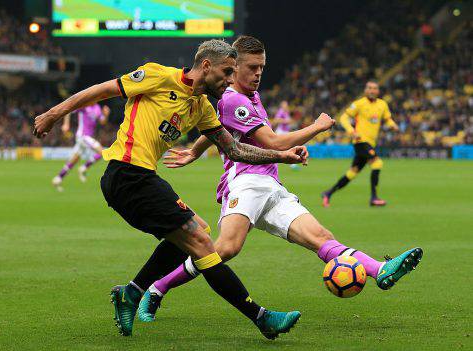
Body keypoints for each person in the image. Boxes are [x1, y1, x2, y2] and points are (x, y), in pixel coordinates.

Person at [33, 39, 309, 339]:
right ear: (206, 65)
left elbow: (235, 150)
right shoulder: (159, 76)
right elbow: (102, 90)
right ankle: (261, 318)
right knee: (200, 244)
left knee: (197, 233)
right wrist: (53, 114)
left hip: (142, 178)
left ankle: (132, 292)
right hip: (126, 173)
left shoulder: (202, 107)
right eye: (227, 72)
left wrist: (282, 155)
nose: (231, 80)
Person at [137, 36, 422, 324]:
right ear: (234, 69)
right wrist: (316, 127)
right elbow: (272, 141)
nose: (258, 73)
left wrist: (195, 151)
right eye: (252, 67)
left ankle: (379, 269)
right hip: (245, 181)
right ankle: (156, 289)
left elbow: (218, 127)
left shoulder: (250, 96)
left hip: (271, 184)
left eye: (262, 67)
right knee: (225, 248)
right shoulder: (233, 98)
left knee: (322, 238)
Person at [321, 81, 399, 207]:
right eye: (369, 88)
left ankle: (328, 193)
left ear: (378, 91)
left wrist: (393, 125)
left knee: (353, 172)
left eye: (374, 88)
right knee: (377, 163)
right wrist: (352, 131)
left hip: (370, 143)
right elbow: (344, 118)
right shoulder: (359, 104)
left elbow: (387, 119)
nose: (372, 90)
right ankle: (374, 198)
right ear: (365, 90)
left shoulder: (382, 104)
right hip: (360, 141)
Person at [52, 103, 109, 191]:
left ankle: (58, 178)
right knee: (102, 152)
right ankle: (83, 168)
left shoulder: (97, 107)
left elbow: (102, 121)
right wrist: (66, 124)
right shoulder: (84, 105)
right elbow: (69, 109)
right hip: (83, 136)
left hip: (87, 137)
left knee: (74, 159)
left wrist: (106, 114)